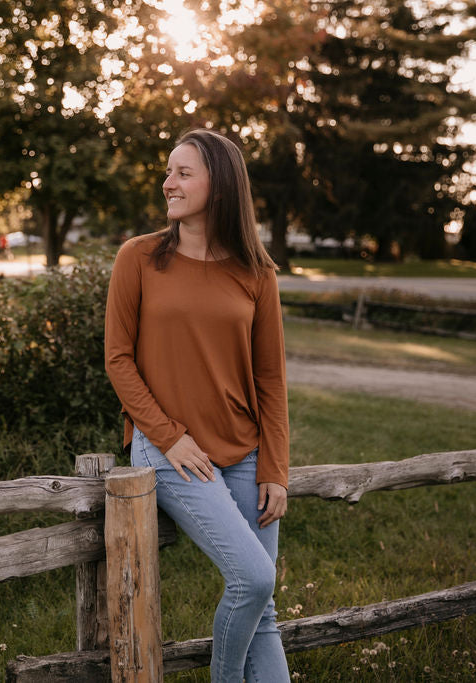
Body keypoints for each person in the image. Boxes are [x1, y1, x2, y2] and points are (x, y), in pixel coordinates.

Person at [104, 128, 290, 683]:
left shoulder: (257, 272)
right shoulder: (138, 258)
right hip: (172, 451)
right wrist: (167, 435)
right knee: (255, 581)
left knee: (265, 610)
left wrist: (275, 468)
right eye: (168, 171)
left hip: (244, 452)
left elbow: (271, 380)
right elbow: (118, 360)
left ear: (221, 183)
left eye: (183, 172)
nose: (169, 183)